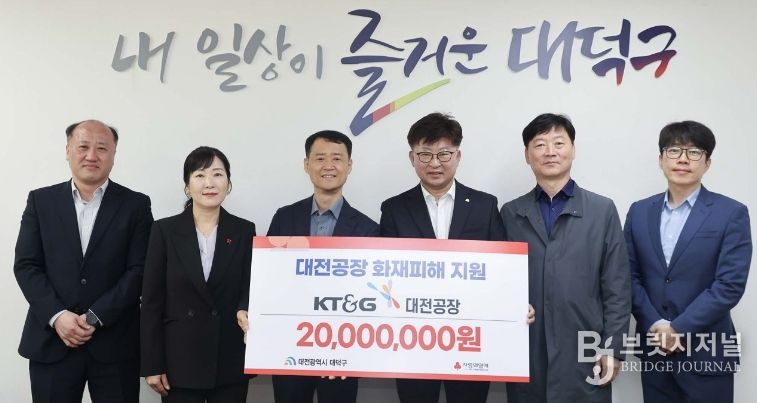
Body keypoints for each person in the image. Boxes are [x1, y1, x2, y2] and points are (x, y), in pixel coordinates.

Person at [380, 112, 526, 403]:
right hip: (413, 340)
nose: (435, 163)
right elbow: (384, 275)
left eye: (444, 154)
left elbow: (501, 270)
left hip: (470, 339)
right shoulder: (394, 209)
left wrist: (515, 303)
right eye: (425, 154)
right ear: (412, 158)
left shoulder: (485, 205)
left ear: (457, 156)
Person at [14, 120, 153, 403]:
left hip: (115, 344)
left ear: (114, 154)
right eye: (83, 147)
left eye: (102, 148)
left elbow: (140, 270)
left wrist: (96, 316)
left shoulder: (136, 205)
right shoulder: (40, 201)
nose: (92, 155)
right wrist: (58, 316)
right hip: (52, 341)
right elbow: (26, 265)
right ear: (67, 150)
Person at [237, 130, 378, 403]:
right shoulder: (284, 217)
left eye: (337, 158)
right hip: (289, 345)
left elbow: (370, 295)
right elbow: (265, 274)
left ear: (349, 165)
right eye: (320, 158)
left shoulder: (368, 229)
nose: (329, 165)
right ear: (306, 164)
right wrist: (246, 306)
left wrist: (350, 353)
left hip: (341, 352)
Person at [500, 113, 631, 403]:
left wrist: (613, 349)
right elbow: (499, 282)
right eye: (540, 144)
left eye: (559, 143)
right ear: (527, 155)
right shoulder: (511, 213)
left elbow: (617, 287)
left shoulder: (601, 210)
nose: (550, 151)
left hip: (585, 346)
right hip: (527, 346)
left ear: (573, 150)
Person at [624, 121, 751, 403]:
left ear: (707, 163)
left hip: (707, 352)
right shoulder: (639, 211)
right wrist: (655, 324)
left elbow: (729, 284)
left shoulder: (731, 213)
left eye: (694, 152)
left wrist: (678, 328)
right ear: (661, 159)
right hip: (655, 350)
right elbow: (627, 276)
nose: (683, 159)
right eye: (674, 150)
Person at [141, 146, 255, 402]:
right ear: (187, 186)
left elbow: (249, 288)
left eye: (218, 174)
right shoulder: (164, 231)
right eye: (200, 175)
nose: (209, 183)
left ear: (228, 183)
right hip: (179, 360)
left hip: (228, 357)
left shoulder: (244, 231)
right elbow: (151, 302)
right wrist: (152, 364)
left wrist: (243, 307)